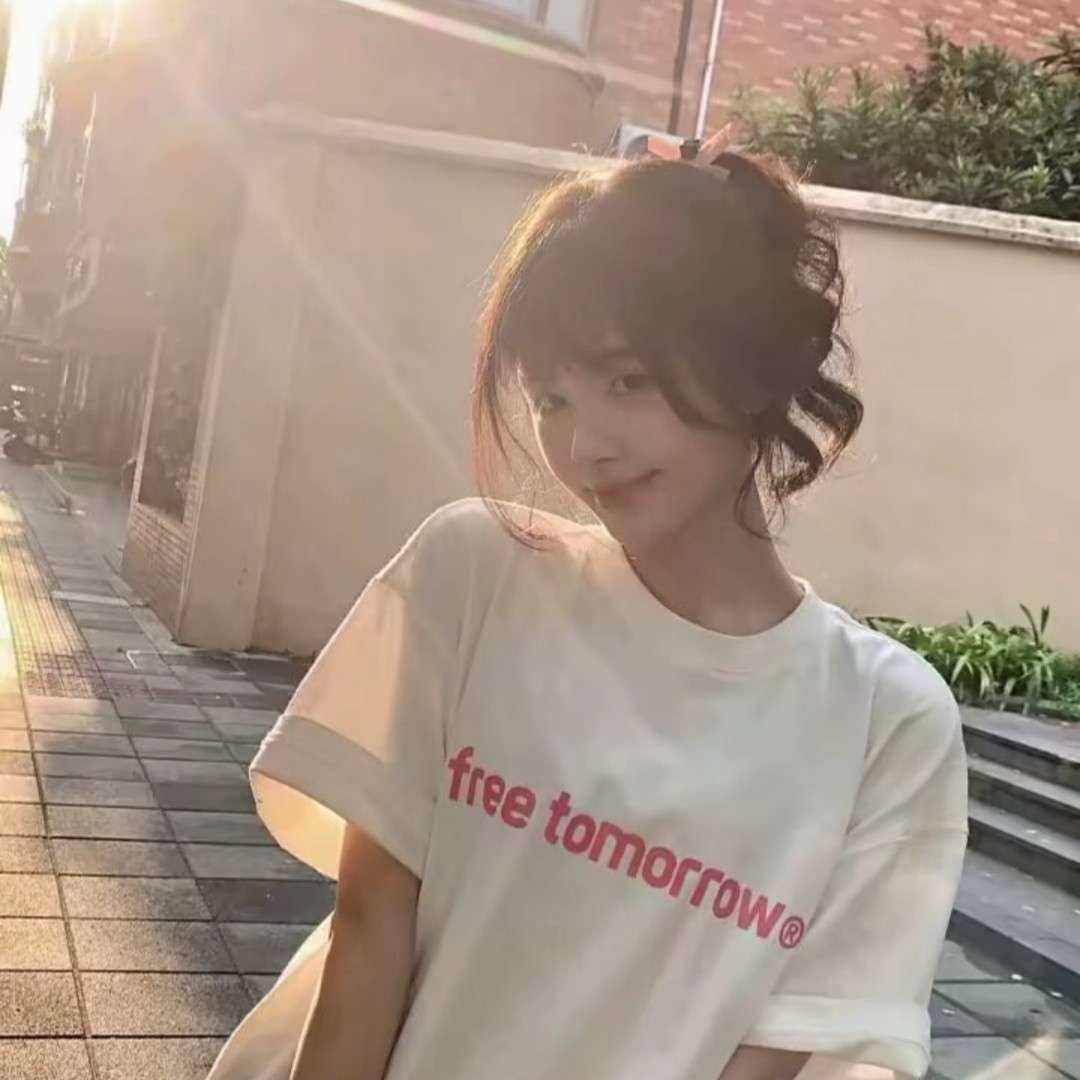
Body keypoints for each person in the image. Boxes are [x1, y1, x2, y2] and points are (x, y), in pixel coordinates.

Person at [207, 132, 968, 1080]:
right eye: (552, 397)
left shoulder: (887, 721)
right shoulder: (474, 574)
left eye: (627, 380)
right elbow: (368, 931)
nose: (584, 447)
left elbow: (775, 1061)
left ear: (752, 370)